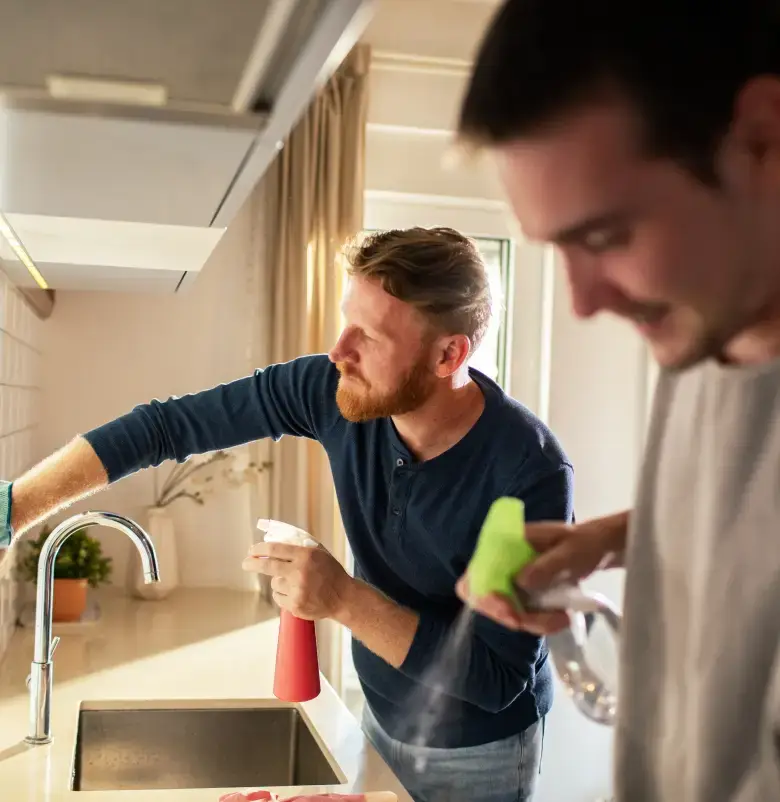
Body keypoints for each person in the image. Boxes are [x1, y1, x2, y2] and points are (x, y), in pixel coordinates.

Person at [0, 227, 573, 802]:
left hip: (480, 751)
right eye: (345, 320)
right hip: (379, 714)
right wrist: (12, 511)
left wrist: (343, 598)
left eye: (369, 336)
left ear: (449, 354)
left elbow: (497, 678)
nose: (338, 350)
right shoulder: (333, 389)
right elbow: (164, 427)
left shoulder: (527, 474)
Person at [452, 1, 780, 800]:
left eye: (604, 238)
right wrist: (603, 540)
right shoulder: (705, 328)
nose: (584, 302)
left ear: (763, 138)